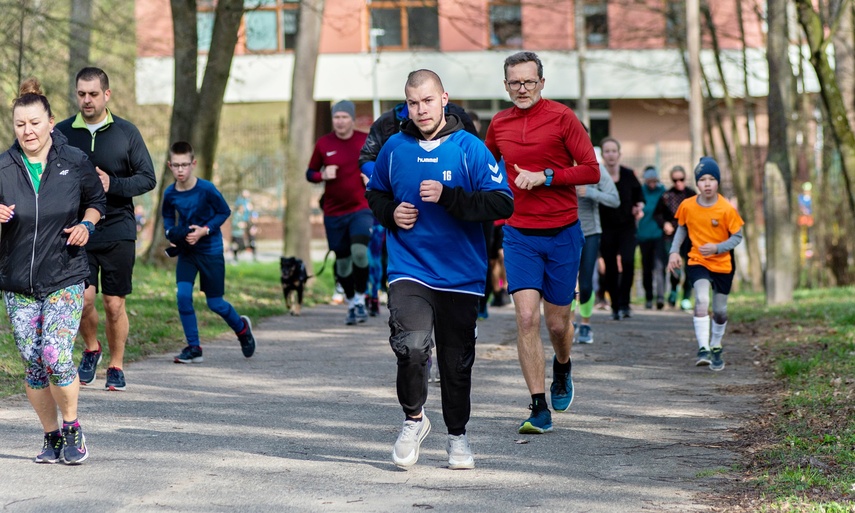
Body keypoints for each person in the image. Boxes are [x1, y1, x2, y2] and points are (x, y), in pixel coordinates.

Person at [366, 69, 513, 469]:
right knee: (411, 347)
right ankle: (414, 419)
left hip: (461, 274)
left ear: (444, 99)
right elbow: (375, 194)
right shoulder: (394, 148)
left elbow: (502, 203)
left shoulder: (470, 148)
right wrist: (391, 213)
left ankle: (457, 436)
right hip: (409, 268)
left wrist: (451, 197)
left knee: (455, 360)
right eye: (413, 103)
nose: (421, 110)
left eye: (427, 101)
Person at [485, 51, 600, 434]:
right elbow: (485, 168)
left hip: (563, 233)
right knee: (526, 317)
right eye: (515, 82)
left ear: (542, 83)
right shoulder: (498, 123)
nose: (522, 88)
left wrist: (546, 176)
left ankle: (563, 366)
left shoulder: (563, 118)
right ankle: (538, 407)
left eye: (529, 81)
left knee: (556, 324)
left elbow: (591, 170)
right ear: (505, 86)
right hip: (519, 234)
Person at [0, 79, 106, 464]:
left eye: (34, 123)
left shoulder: (74, 161)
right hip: (18, 281)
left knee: (55, 352)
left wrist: (87, 225)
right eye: (19, 124)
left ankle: (73, 426)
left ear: (50, 122)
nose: (27, 131)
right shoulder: (3, 167)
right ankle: (50, 435)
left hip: (65, 273)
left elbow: (96, 201)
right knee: (32, 359)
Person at [55, 67, 156, 391]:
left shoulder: (126, 132)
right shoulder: (62, 132)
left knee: (114, 304)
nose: (87, 100)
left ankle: (116, 364)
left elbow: (148, 177)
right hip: (78, 228)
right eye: (81, 94)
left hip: (117, 227)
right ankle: (92, 348)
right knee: (83, 301)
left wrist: (114, 183)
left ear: (107, 95)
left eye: (93, 94)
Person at [162, 141, 257, 364]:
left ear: (193, 164)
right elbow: (167, 217)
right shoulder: (170, 193)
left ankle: (242, 329)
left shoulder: (206, 189)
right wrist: (171, 232)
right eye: (176, 165)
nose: (180, 170)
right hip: (187, 252)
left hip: (211, 250)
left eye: (185, 164)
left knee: (215, 304)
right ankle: (194, 347)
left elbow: (224, 211)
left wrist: (205, 230)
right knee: (183, 296)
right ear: (169, 166)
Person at [668, 157, 744, 371]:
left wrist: (718, 247)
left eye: (712, 179)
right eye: (703, 179)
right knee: (701, 300)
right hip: (697, 260)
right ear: (697, 183)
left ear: (717, 182)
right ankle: (703, 348)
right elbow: (681, 228)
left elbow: (737, 236)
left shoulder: (726, 209)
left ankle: (716, 345)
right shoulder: (687, 205)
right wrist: (674, 251)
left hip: (723, 264)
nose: (707, 183)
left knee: (719, 310)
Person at [306, 100, 372, 325]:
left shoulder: (365, 140)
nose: (341, 121)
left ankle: (362, 298)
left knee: (360, 253)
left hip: (361, 208)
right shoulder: (324, 143)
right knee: (343, 263)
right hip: (334, 213)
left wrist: (370, 177)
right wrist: (322, 176)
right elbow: (310, 173)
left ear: (352, 119)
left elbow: (380, 167)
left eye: (345, 117)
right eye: (337, 117)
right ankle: (352, 302)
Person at [574, 153, 620, 344]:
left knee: (585, 285)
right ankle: (568, 324)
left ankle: (585, 325)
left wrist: (591, 192)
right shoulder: (557, 165)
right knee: (565, 284)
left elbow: (615, 199)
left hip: (590, 233)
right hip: (562, 232)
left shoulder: (596, 169)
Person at [599, 137, 644, 320]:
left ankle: (625, 304)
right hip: (606, 226)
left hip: (626, 226)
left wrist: (639, 207)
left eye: (613, 151)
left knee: (627, 262)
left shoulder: (628, 174)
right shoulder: (598, 175)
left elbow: (639, 197)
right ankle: (615, 306)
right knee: (609, 266)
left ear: (619, 154)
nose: (611, 154)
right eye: (607, 151)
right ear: (603, 155)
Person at [655, 165, 697, 310]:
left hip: (691, 237)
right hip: (672, 236)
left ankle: (686, 298)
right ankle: (673, 292)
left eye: (681, 179)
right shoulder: (666, 196)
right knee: (675, 268)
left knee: (690, 268)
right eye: (675, 180)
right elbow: (657, 214)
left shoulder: (692, 195)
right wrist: (664, 224)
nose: (678, 182)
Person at [637, 165, 667, 310]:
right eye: (650, 181)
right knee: (647, 268)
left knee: (660, 267)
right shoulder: (640, 192)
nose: (652, 184)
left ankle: (660, 297)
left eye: (654, 180)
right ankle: (649, 297)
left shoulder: (663, 192)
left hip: (659, 235)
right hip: (643, 235)